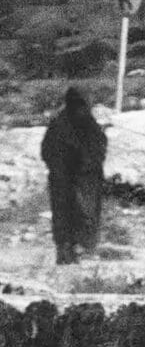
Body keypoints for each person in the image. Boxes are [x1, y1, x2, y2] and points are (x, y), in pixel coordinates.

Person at [41, 87, 107, 264]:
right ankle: (68, 253)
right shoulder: (62, 125)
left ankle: (79, 251)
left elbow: (98, 150)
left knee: (82, 215)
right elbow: (48, 152)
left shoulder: (84, 125)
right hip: (68, 182)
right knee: (71, 216)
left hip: (82, 182)